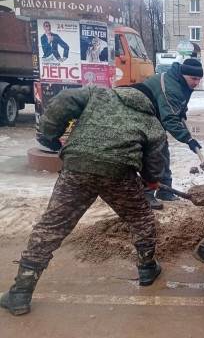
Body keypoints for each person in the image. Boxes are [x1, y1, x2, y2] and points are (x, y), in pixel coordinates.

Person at [0, 85, 166, 316]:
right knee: (141, 218)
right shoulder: (151, 121)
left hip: (77, 166)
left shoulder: (97, 94)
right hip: (118, 172)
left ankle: (20, 292)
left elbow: (64, 100)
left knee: (52, 227)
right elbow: (156, 159)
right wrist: (151, 180)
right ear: (149, 102)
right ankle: (147, 268)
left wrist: (49, 133)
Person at [140, 57, 203, 208]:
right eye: (193, 78)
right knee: (153, 154)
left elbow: (174, 108)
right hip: (142, 115)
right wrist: (188, 139)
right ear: (184, 75)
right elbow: (170, 119)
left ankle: (164, 191)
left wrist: (181, 111)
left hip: (155, 115)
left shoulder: (180, 81)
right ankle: (146, 194)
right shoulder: (171, 86)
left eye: (199, 79)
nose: (196, 82)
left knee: (163, 151)